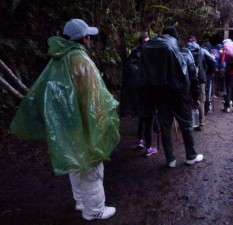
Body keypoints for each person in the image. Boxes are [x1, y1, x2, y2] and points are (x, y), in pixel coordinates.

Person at [10, 18, 120, 221]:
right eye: (89, 37)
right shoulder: (81, 60)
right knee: (91, 165)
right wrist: (100, 123)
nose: (90, 40)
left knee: (75, 160)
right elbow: (93, 97)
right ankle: (94, 209)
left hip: (67, 124)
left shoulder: (58, 58)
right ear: (84, 38)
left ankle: (80, 201)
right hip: (84, 122)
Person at [138, 26, 203, 168]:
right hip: (179, 95)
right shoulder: (185, 53)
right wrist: (195, 96)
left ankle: (170, 160)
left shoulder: (156, 53)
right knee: (186, 125)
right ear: (175, 38)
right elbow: (193, 76)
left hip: (160, 95)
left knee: (165, 127)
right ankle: (191, 156)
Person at [186, 36, 206, 130]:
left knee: (190, 100)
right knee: (200, 101)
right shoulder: (202, 51)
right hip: (200, 79)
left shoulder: (184, 51)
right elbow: (211, 62)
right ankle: (200, 123)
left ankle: (190, 122)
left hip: (189, 79)